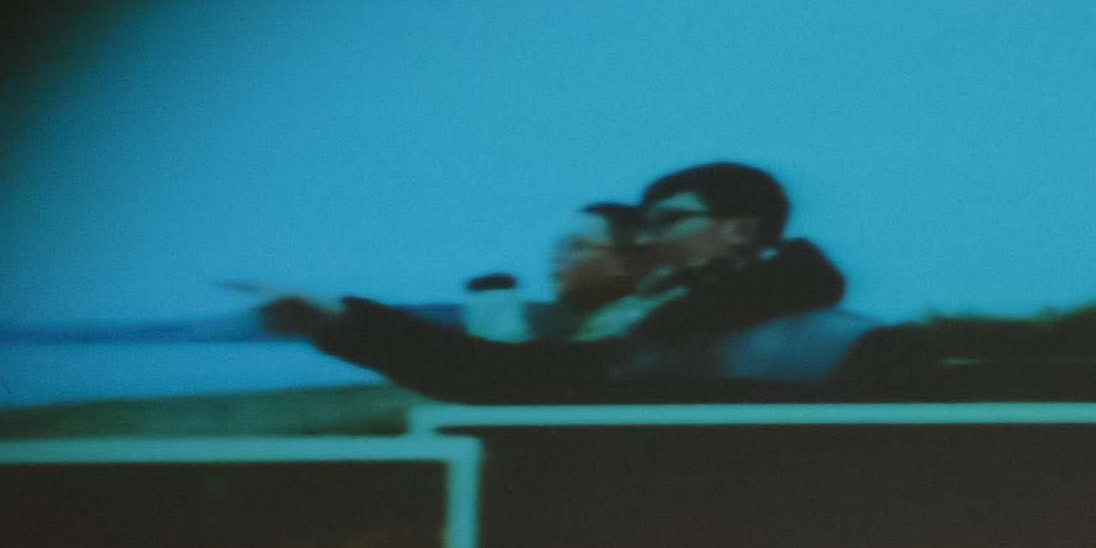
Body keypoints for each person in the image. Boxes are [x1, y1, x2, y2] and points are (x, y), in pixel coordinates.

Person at [261, 160, 877, 400]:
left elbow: (506, 377)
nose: (646, 241)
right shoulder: (669, 332)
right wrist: (338, 323)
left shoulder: (848, 343)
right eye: (642, 228)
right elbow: (506, 375)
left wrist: (341, 324)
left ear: (741, 232)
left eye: (667, 221)